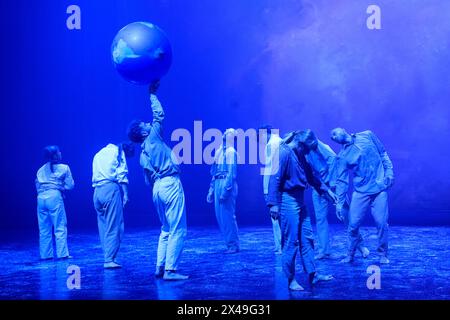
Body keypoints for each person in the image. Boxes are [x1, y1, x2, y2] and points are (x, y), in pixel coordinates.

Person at [127, 81, 188, 281]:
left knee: (165, 229)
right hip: (169, 183)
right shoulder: (152, 137)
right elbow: (159, 116)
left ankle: (160, 266)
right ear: (143, 132)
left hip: (157, 189)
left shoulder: (142, 154)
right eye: (145, 125)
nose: (148, 123)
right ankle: (171, 270)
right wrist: (152, 95)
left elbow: (147, 180)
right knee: (178, 228)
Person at [266, 131, 335, 291]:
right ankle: (290, 280)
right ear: (300, 144)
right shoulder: (284, 153)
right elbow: (274, 178)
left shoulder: (301, 154)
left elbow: (311, 177)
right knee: (291, 241)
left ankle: (313, 274)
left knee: (307, 238)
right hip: (287, 200)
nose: (308, 153)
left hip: (300, 200)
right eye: (307, 149)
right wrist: (273, 204)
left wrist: (326, 190)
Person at [298, 129, 370, 260]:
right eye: (309, 142)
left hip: (334, 186)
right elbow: (310, 172)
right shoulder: (304, 150)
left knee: (346, 216)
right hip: (319, 187)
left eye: (313, 140)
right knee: (320, 219)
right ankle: (324, 250)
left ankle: (361, 246)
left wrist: (331, 184)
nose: (313, 143)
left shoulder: (321, 147)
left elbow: (333, 161)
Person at [331, 128, 394, 264]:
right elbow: (341, 182)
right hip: (361, 192)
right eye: (332, 137)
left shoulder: (368, 135)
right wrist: (339, 203)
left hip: (379, 189)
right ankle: (350, 254)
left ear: (343, 129)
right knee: (352, 225)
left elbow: (383, 153)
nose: (333, 136)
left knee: (381, 223)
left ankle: (383, 254)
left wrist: (389, 172)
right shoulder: (342, 156)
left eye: (335, 132)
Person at [92, 141, 134, 269]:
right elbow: (122, 175)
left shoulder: (98, 153)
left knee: (103, 226)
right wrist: (126, 195)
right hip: (110, 189)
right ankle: (109, 259)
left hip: (97, 192)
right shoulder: (119, 153)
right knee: (115, 225)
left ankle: (108, 256)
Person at [36, 145, 74, 260]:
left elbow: (37, 185)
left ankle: (45, 255)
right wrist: (61, 187)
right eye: (59, 152)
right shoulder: (64, 168)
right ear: (56, 155)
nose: (61, 153)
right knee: (60, 225)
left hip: (41, 198)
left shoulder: (40, 169)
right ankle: (62, 254)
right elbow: (70, 185)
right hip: (54, 197)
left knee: (44, 228)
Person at [207, 128, 240, 253]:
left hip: (226, 182)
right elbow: (214, 172)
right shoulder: (219, 151)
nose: (226, 132)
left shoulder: (231, 152)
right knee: (220, 216)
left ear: (233, 137)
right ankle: (229, 244)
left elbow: (232, 174)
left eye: (230, 132)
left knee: (227, 216)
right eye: (226, 131)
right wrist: (211, 189)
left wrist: (226, 191)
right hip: (217, 182)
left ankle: (233, 245)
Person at [259, 125, 282, 254]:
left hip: (274, 185)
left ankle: (280, 246)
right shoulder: (278, 141)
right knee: (277, 217)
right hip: (279, 184)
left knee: (276, 217)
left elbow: (269, 169)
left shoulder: (272, 144)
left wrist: (266, 190)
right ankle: (279, 244)